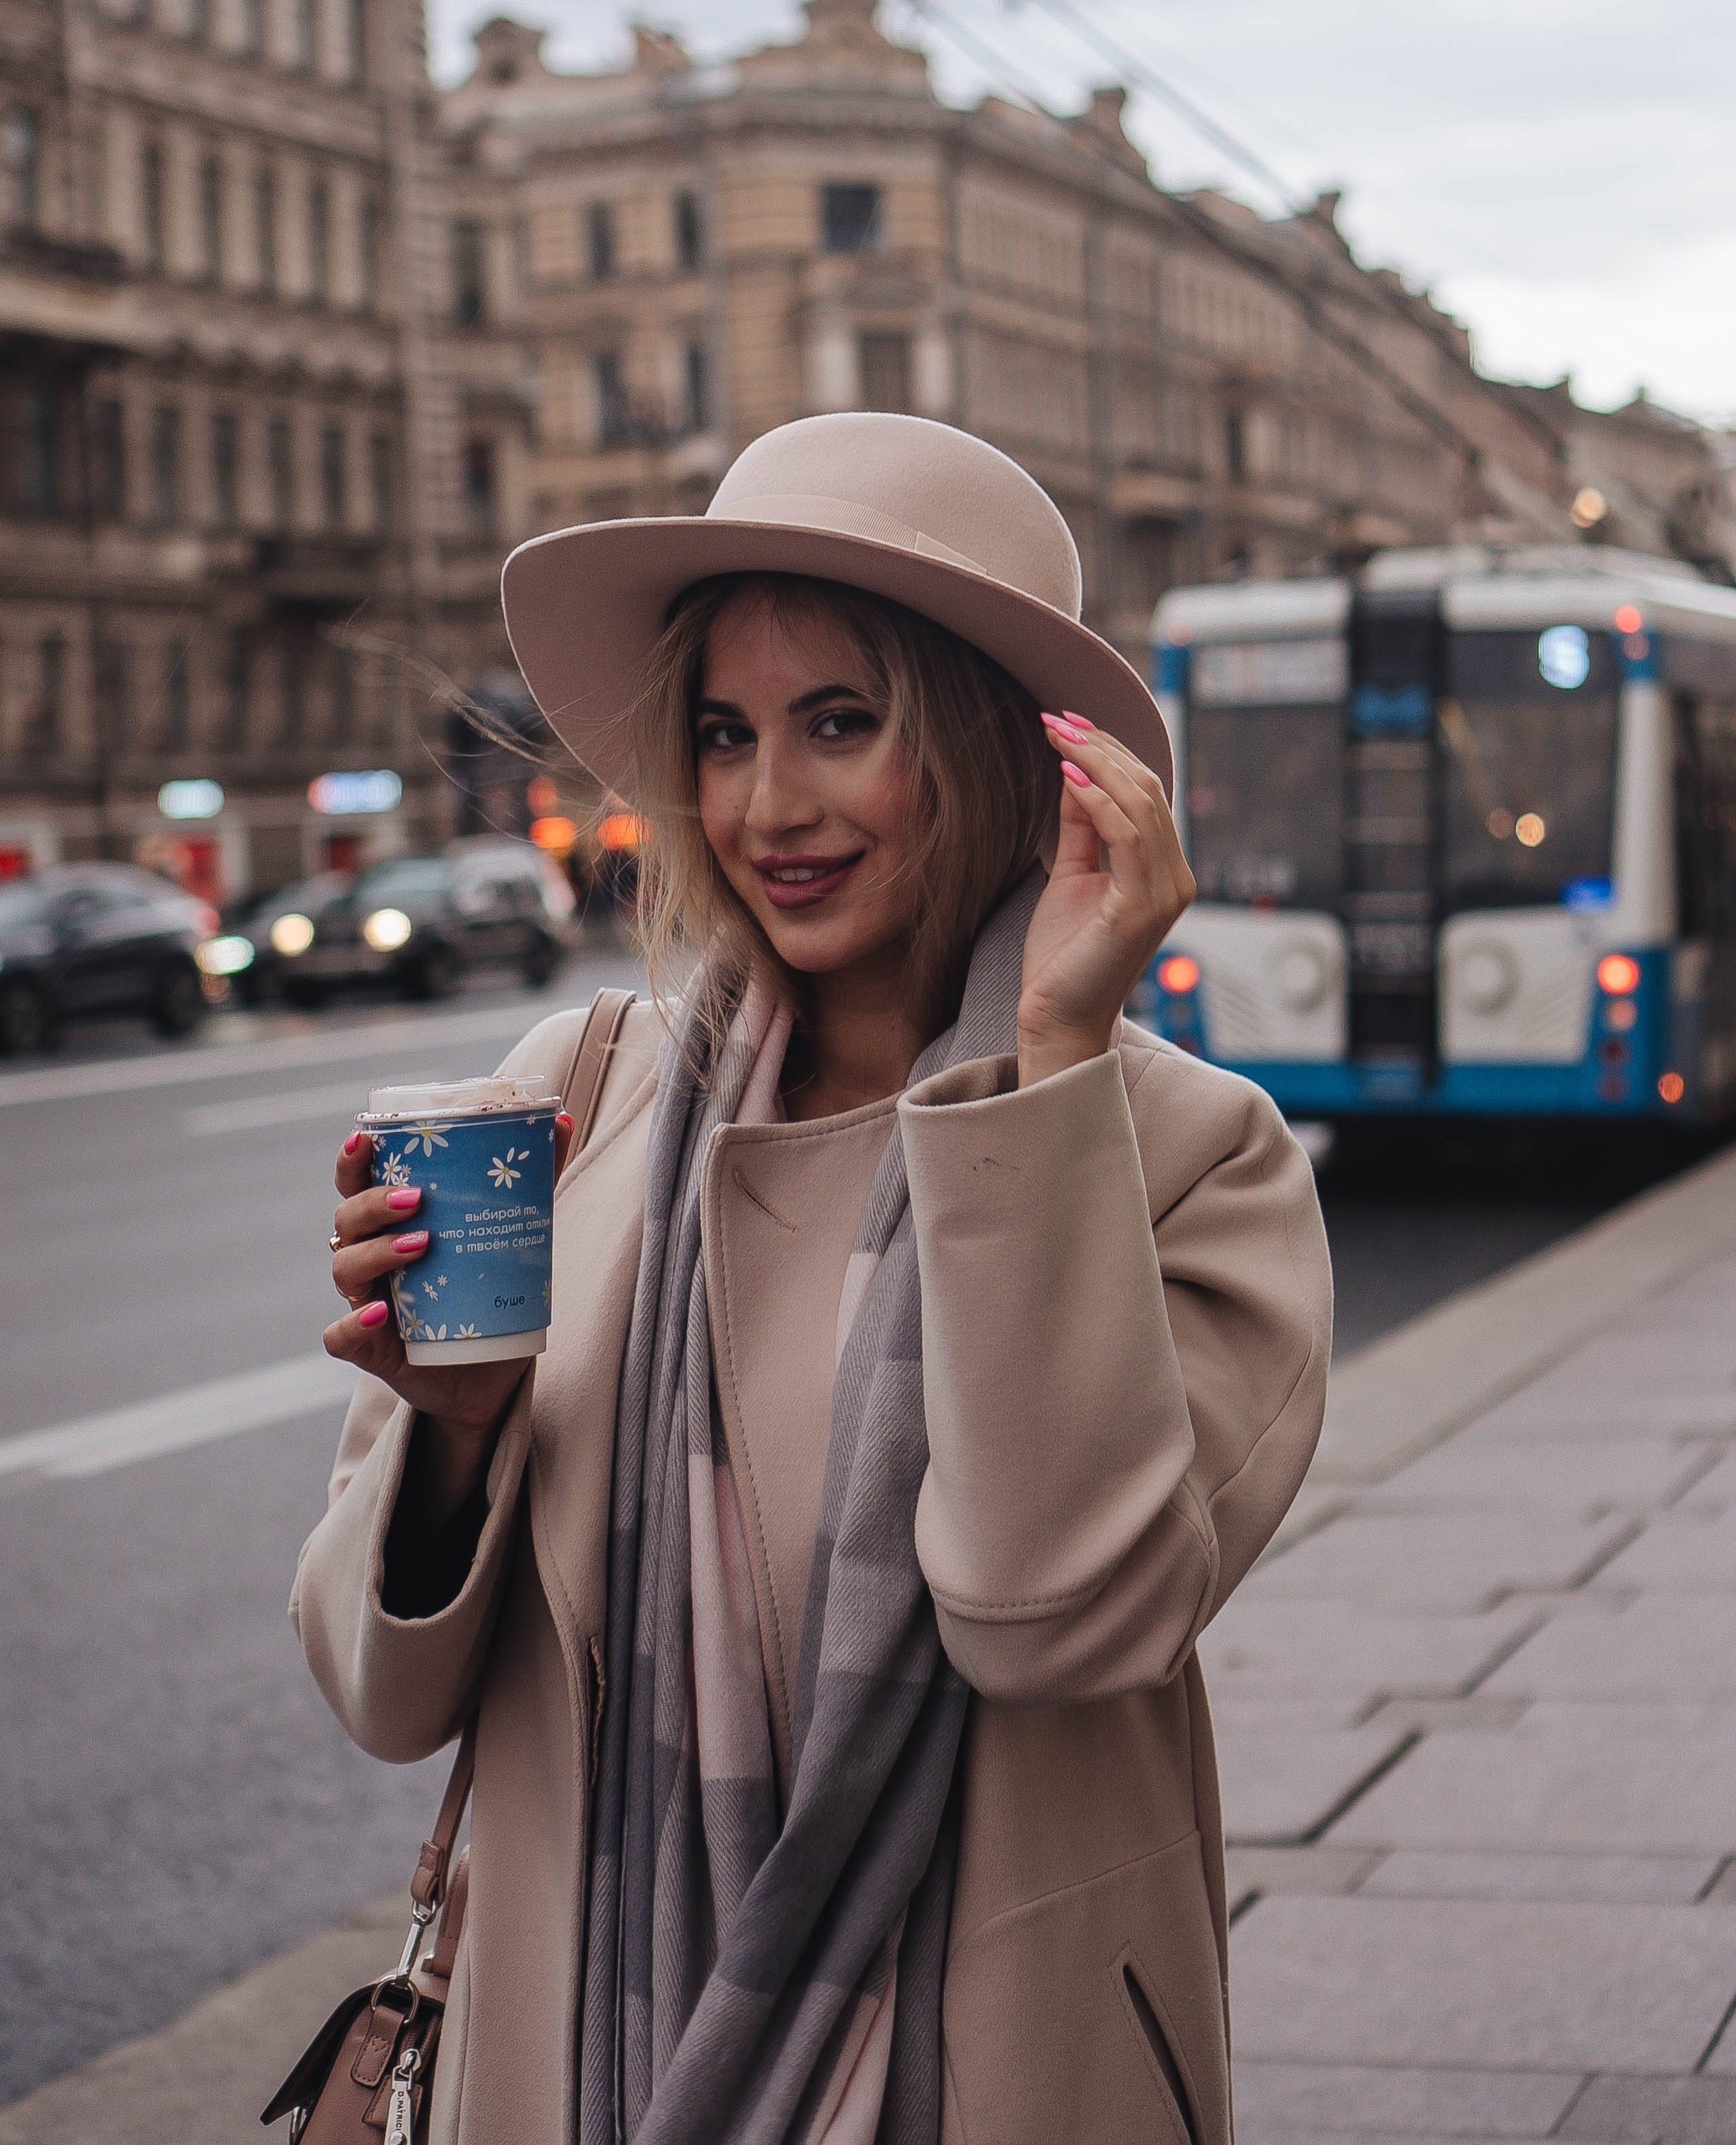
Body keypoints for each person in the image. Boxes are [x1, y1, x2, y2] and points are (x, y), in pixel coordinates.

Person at [294, 412, 1331, 2145]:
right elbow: (380, 1696)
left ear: (1005, 749)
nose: (768, 806)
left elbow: (1058, 1622)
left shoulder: (1188, 1155)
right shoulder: (571, 1103)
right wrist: (451, 1438)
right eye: (725, 735)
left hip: (980, 2079)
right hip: (582, 2068)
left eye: (841, 723)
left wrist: (1044, 1071)